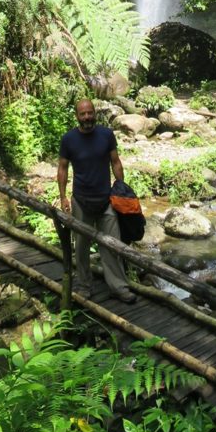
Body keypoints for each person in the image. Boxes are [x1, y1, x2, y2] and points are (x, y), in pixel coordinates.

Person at [57, 99, 136, 303]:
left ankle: (119, 287)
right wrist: (63, 196)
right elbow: (63, 168)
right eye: (83, 114)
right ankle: (84, 286)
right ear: (77, 116)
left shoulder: (106, 135)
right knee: (81, 247)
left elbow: (115, 161)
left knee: (113, 245)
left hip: (106, 200)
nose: (87, 117)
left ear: (95, 113)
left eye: (90, 113)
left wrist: (122, 189)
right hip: (81, 201)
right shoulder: (69, 140)